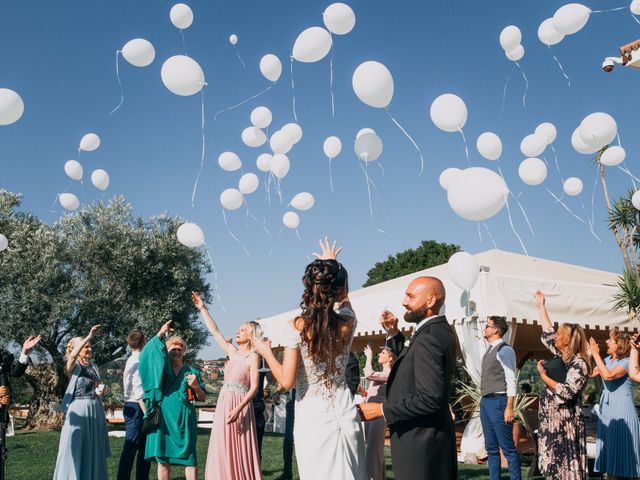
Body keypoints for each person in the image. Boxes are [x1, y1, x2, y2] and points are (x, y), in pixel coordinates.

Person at [252, 237, 367, 480]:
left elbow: (286, 381)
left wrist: (266, 353)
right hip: (345, 410)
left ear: (309, 287)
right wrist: (333, 265)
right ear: (338, 288)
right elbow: (345, 297)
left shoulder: (297, 326)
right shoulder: (349, 321)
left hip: (314, 416)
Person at [358, 277, 458, 480]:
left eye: (411, 296)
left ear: (430, 301)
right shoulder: (437, 330)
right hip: (429, 438)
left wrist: (381, 409)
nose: (404, 301)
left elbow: (430, 399)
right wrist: (393, 333)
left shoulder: (429, 337)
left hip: (421, 443)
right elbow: (409, 364)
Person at [192, 292, 263, 480]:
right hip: (224, 402)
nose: (238, 332)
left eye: (242, 330)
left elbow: (254, 387)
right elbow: (215, 332)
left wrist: (238, 409)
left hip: (240, 404)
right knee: (222, 444)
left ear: (251, 336)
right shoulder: (232, 352)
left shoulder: (253, 357)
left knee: (239, 444)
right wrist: (203, 309)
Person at [534, 291, 590, 480]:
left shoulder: (579, 363)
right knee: (552, 468)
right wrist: (541, 305)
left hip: (566, 423)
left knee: (565, 467)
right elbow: (547, 331)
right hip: (551, 421)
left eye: (559, 335)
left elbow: (567, 392)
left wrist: (543, 376)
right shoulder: (561, 357)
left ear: (566, 340)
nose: (555, 336)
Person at [140, 321, 206, 480]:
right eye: (172, 349)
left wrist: (196, 386)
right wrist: (161, 333)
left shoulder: (192, 371)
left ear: (183, 351)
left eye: (179, 349)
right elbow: (147, 354)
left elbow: (202, 397)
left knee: (190, 458)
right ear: (166, 351)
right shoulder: (161, 370)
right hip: (164, 418)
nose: (176, 351)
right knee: (163, 458)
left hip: (184, 419)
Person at [53, 325, 111, 480]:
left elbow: (96, 386)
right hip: (78, 411)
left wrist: (102, 390)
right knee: (77, 447)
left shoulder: (94, 366)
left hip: (95, 409)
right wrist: (89, 336)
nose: (89, 349)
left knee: (93, 448)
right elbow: (72, 357)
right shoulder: (73, 366)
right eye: (86, 347)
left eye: (90, 346)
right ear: (77, 348)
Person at [588, 328, 640, 478]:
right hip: (607, 410)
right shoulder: (607, 361)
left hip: (622, 409)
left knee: (624, 451)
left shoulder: (626, 362)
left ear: (620, 345)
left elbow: (609, 375)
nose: (606, 342)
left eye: (611, 340)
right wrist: (589, 355)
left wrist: (596, 354)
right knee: (610, 450)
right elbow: (590, 373)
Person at [479, 315, 520, 480]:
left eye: (488, 326)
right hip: (486, 402)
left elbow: (511, 378)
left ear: (495, 330)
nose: (485, 328)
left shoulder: (505, 350)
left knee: (508, 448)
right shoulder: (489, 350)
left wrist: (509, 406)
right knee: (491, 448)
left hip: (499, 402)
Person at [117, 330, 151, 480]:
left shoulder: (131, 359)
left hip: (134, 405)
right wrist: (147, 412)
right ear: (143, 342)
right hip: (138, 406)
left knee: (142, 447)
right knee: (132, 447)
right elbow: (138, 390)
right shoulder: (139, 360)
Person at [362, 344, 395, 480]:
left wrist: (369, 357)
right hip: (370, 413)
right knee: (374, 450)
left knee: (373, 451)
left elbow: (369, 374)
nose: (379, 354)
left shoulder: (389, 373)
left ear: (390, 358)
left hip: (378, 415)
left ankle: (372, 477)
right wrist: (365, 394)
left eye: (382, 353)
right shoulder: (382, 374)